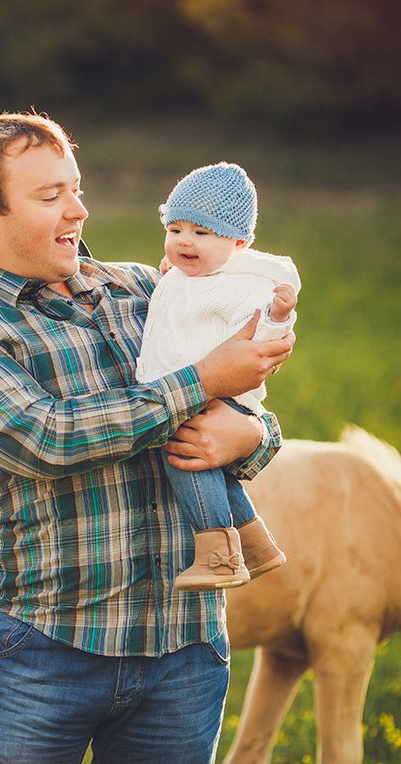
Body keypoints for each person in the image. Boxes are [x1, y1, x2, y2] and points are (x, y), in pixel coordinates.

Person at [0, 112, 293, 764]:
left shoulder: (147, 289)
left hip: (184, 644)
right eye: (50, 196)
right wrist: (204, 381)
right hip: (44, 650)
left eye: (75, 188)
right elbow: (46, 437)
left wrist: (254, 437)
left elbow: (240, 411)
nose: (79, 210)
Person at [137, 161, 300, 591]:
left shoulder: (242, 285)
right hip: (189, 389)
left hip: (215, 395)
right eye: (176, 230)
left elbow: (260, 337)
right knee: (216, 471)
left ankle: (218, 555)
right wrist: (170, 280)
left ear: (238, 243)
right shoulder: (183, 277)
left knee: (186, 460)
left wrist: (278, 315)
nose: (184, 241)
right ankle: (257, 545)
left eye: (201, 233)